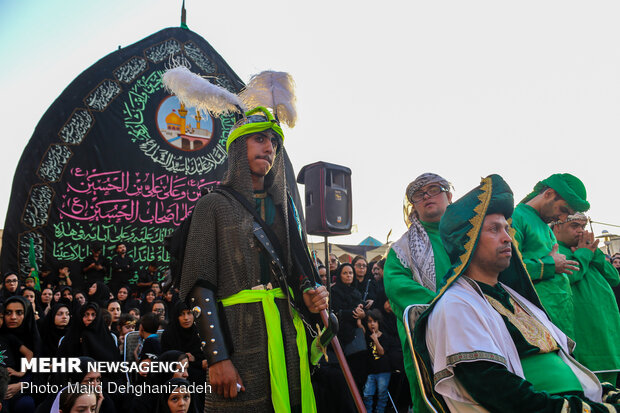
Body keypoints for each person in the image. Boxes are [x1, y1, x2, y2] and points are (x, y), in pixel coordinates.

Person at [165, 67, 328, 412]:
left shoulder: (285, 212)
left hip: (287, 335)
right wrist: (217, 357)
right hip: (238, 339)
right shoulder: (213, 205)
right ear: (239, 146)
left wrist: (310, 297)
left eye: (273, 141)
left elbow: (294, 273)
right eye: (260, 139)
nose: (269, 147)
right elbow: (198, 285)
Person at [414, 174, 620, 412]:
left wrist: (601, 392)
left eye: (506, 229)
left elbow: (561, 362)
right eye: (494, 229)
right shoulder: (457, 305)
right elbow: (496, 390)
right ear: (466, 241)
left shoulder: (513, 298)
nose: (507, 238)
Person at [383, 172, 452, 412]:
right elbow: (396, 286)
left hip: (474, 329)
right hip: (426, 337)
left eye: (433, 190)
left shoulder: (469, 237)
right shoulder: (401, 249)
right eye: (419, 194)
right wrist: (447, 305)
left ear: (449, 196)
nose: (426, 196)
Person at [511, 173, 590, 338]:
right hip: (538, 323)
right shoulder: (517, 217)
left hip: (559, 324)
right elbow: (509, 269)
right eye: (563, 210)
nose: (561, 218)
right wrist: (549, 265)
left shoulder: (545, 227)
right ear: (548, 194)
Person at [551, 212, 620, 384]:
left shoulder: (588, 252)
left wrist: (594, 253)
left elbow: (614, 278)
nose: (581, 232)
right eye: (575, 226)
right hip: (587, 343)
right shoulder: (555, 252)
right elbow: (569, 278)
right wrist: (583, 254)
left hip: (609, 339)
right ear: (556, 227)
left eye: (583, 226)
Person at [362, 309, 395, 413]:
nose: (372, 324)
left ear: (378, 322)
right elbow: (360, 327)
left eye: (374, 321)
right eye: (369, 321)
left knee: (382, 394)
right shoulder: (367, 335)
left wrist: (375, 340)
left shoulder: (384, 336)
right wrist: (359, 320)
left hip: (383, 370)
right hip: (371, 371)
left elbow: (381, 352)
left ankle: (379, 411)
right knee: (367, 394)